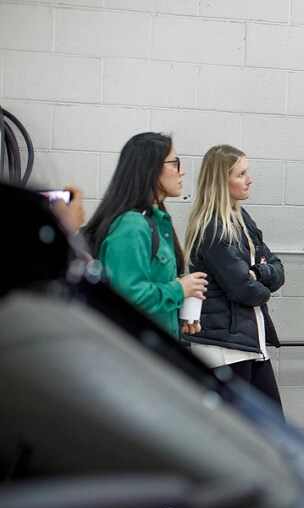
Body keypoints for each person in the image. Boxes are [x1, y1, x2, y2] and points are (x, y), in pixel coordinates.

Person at [182, 144, 285, 414]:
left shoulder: (241, 218)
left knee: (272, 430)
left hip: (249, 343)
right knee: (242, 435)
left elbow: (276, 267)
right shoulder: (213, 227)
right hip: (225, 347)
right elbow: (244, 291)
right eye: (241, 174)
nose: (249, 179)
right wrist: (262, 286)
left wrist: (259, 273)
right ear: (221, 181)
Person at [83, 132, 207, 339]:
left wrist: (176, 309)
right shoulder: (132, 225)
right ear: (152, 169)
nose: (182, 172)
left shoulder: (155, 221)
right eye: (175, 163)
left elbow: (149, 286)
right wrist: (178, 290)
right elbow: (129, 295)